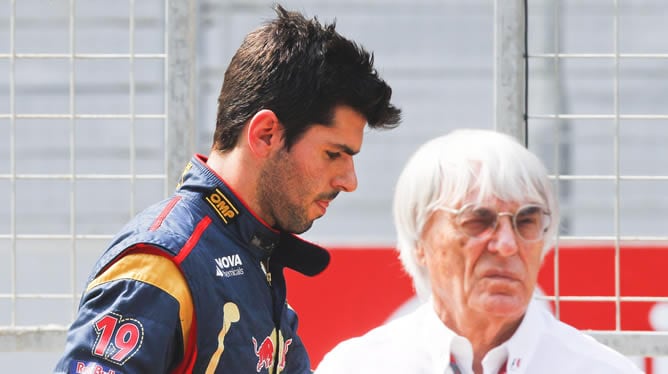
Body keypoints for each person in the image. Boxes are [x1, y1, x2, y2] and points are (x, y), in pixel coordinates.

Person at [54, 4, 401, 374]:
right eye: (334, 154)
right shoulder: (162, 266)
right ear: (266, 134)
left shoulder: (254, 254)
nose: (350, 181)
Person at [314, 129, 643, 374]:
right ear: (420, 240)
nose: (506, 245)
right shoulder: (360, 366)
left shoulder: (601, 369)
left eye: (526, 221)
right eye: (477, 220)